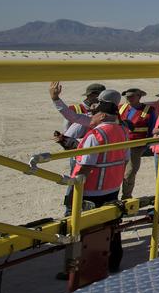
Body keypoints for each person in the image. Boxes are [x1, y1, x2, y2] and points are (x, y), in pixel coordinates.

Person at [56, 97, 132, 280]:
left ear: (102, 115)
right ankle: (113, 263)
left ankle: (75, 271)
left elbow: (87, 165)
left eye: (95, 113)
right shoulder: (123, 130)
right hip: (112, 188)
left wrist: (75, 185)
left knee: (80, 230)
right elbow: (126, 158)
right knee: (111, 226)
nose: (92, 116)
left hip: (91, 190)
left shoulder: (95, 135)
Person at [117, 88, 155, 198]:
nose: (129, 98)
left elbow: (152, 127)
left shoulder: (149, 110)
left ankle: (126, 196)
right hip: (120, 145)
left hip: (136, 146)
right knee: (117, 172)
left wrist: (147, 143)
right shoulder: (120, 108)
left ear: (139, 97)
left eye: (132, 96)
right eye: (127, 97)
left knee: (130, 172)